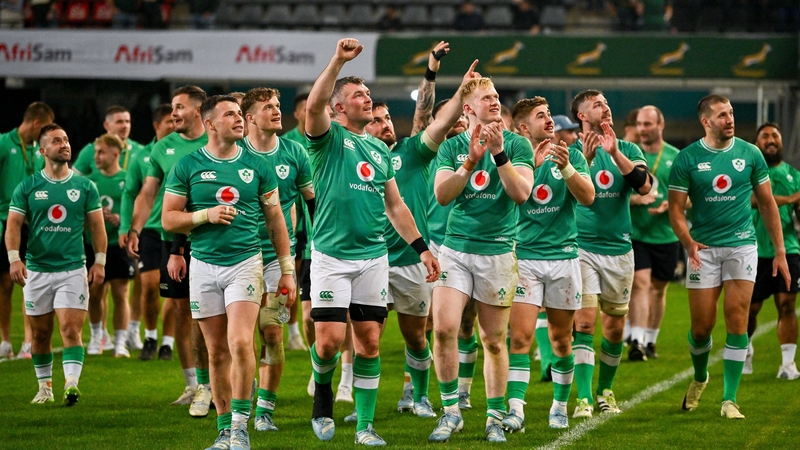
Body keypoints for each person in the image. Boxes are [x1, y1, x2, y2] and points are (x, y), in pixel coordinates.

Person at [305, 38, 439, 446]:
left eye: (368, 93)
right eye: (359, 95)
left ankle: (365, 425)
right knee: (327, 344)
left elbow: (396, 207)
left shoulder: (380, 151)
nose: (368, 99)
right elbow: (313, 107)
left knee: (370, 342)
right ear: (339, 107)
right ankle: (324, 394)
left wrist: (422, 249)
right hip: (330, 257)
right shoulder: (327, 140)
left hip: (372, 259)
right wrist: (337, 61)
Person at [163, 94, 294, 450]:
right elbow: (169, 217)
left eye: (240, 114)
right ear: (210, 124)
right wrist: (205, 215)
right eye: (231, 115)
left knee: (240, 342)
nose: (239, 119)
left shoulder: (257, 166)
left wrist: (287, 270)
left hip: (245, 263)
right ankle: (223, 430)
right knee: (216, 350)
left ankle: (240, 427)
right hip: (203, 266)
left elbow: (276, 220)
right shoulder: (187, 165)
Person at [365, 46, 477, 419]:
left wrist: (432, 69)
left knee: (418, 334)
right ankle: (358, 406)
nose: (385, 124)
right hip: (371, 258)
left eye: (386, 118)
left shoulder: (412, 151)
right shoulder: (352, 157)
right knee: (367, 339)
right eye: (375, 120)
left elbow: (426, 115)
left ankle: (420, 396)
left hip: (416, 257)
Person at [668, 94, 789, 419]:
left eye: (732, 113)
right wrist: (688, 241)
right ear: (706, 121)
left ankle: (729, 399)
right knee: (702, 328)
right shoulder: (687, 159)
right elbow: (676, 212)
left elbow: (766, 204)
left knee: (738, 320)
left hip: (741, 246)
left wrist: (780, 251)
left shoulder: (750, 154)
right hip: (703, 250)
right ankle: (700, 376)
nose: (730, 119)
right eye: (722, 115)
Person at [429, 76, 533, 444]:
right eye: (486, 97)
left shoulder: (518, 144)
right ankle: (451, 412)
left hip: (498, 252)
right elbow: (443, 196)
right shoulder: (453, 146)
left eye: (496, 96)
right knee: (443, 330)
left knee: (492, 340)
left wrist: (499, 153)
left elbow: (521, 193)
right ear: (468, 107)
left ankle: (493, 416)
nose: (494, 101)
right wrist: (470, 162)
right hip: (455, 249)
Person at [505, 96, 594, 431]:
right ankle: (516, 409)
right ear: (523, 127)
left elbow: (587, 197)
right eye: (541, 116)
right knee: (521, 338)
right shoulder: (511, 159)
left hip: (564, 258)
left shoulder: (567, 154)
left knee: (560, 339)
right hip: (525, 257)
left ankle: (559, 405)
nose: (549, 120)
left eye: (548, 115)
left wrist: (566, 167)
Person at [7, 123, 106, 405]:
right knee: (40, 333)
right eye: (56, 141)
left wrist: (99, 261)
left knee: (71, 330)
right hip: (36, 270)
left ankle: (71, 385)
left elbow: (97, 227)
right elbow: (13, 225)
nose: (64, 144)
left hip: (72, 269)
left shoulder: (85, 186)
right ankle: (45, 388)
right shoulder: (28, 186)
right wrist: (15, 258)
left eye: (66, 139)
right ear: (42, 150)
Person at [127, 86, 211, 416]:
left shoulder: (215, 141)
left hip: (211, 240)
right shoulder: (164, 147)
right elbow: (148, 194)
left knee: (215, 314)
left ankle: (222, 381)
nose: (173, 113)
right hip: (170, 240)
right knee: (181, 313)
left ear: (198, 109)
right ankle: (194, 384)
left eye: (179, 107)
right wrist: (134, 228)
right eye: (173, 108)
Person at [570, 90, 652, 419]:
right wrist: (587, 161)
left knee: (615, 329)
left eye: (606, 102)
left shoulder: (629, 149)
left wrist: (615, 152)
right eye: (597, 105)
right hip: (582, 247)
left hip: (619, 249)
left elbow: (644, 185)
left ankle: (606, 390)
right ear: (581, 116)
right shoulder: (572, 151)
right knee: (586, 323)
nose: (605, 108)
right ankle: (585, 399)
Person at [239, 87, 316, 432]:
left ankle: (265, 410)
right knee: (240, 337)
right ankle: (243, 385)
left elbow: (313, 201)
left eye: (277, 105)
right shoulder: (232, 153)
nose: (276, 111)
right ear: (249, 117)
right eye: (268, 107)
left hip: (279, 260)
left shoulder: (294, 152)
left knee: (272, 331)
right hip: (237, 257)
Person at [118, 104, 176, 359]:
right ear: (157, 125)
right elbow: (131, 192)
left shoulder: (190, 150)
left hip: (177, 228)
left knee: (175, 291)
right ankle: (150, 336)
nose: (174, 126)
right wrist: (126, 227)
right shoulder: (143, 155)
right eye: (169, 122)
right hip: (150, 229)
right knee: (151, 286)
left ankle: (168, 341)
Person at [745, 122, 800, 380]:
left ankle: (788, 364)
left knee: (787, 304)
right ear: (757, 143)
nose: (771, 139)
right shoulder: (748, 172)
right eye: (765, 135)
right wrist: (791, 200)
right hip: (753, 249)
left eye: (775, 135)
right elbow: (755, 201)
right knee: (750, 309)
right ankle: (745, 350)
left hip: (787, 247)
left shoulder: (794, 175)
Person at [0, 101, 53, 359]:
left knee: (30, 281)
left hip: (34, 225)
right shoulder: (2, 143)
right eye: (43, 129)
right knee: (4, 284)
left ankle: (28, 343)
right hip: (4, 221)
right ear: (35, 124)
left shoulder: (39, 151)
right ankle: (5, 341)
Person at [627, 105, 681, 361]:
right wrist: (632, 201)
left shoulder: (676, 157)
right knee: (640, 284)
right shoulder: (629, 155)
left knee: (658, 290)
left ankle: (650, 340)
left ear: (660, 125)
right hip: (636, 233)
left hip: (666, 235)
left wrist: (672, 205)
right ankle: (636, 340)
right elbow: (614, 193)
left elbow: (690, 196)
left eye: (647, 124)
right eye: (639, 124)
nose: (642, 129)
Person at [85, 134, 135, 358]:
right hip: (94, 245)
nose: (96, 156)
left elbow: (138, 210)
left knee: (121, 293)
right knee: (94, 293)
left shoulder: (127, 180)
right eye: (96, 152)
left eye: (101, 152)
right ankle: (97, 337)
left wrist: (120, 219)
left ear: (116, 154)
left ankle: (120, 342)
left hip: (119, 243)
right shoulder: (89, 181)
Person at [280, 92, 311, 352]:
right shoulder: (287, 143)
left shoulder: (322, 138)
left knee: (299, 275)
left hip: (310, 225)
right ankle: (291, 330)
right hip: (292, 224)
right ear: (299, 113)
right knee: (289, 275)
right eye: (306, 108)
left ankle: (294, 332)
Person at [73, 105, 143, 177]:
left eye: (127, 122)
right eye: (119, 122)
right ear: (106, 125)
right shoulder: (90, 150)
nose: (125, 126)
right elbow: (73, 182)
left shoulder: (140, 151)